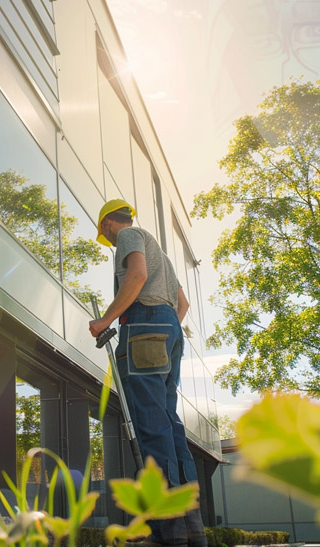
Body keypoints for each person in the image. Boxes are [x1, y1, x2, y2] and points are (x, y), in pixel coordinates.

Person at [88, 199, 207, 547]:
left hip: (143, 325)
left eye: (105, 233)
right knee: (169, 427)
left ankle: (167, 533)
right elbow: (182, 306)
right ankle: (191, 530)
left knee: (152, 427)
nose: (109, 241)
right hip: (170, 330)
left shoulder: (128, 236)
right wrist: (164, 331)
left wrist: (104, 320)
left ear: (110, 223)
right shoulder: (163, 257)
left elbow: (136, 276)